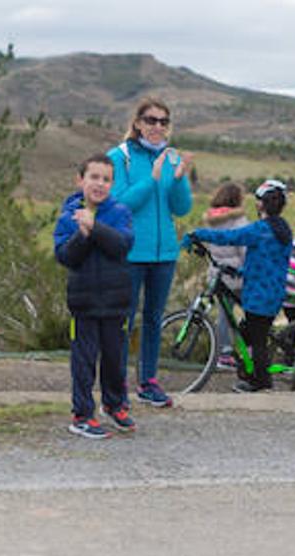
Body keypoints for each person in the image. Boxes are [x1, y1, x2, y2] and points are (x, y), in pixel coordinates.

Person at [107, 97, 193, 409]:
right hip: (130, 253)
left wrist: (179, 179)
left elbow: (181, 208)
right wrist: (152, 179)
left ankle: (149, 382)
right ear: (138, 123)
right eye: (151, 120)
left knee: (153, 320)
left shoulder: (171, 159)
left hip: (164, 254)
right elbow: (119, 205)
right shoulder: (120, 157)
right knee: (124, 321)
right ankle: (116, 387)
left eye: (163, 121)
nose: (157, 126)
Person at [53, 154, 136, 438]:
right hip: (84, 304)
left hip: (116, 303)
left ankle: (114, 404)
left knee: (114, 359)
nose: (100, 184)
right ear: (81, 180)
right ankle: (82, 415)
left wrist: (95, 227)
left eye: (106, 179)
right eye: (94, 177)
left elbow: (122, 245)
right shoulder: (68, 217)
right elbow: (65, 256)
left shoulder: (121, 212)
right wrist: (82, 234)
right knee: (84, 361)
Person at [187, 179, 293, 392]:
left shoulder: (260, 229)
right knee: (248, 334)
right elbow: (267, 261)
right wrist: (240, 271)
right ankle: (250, 372)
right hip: (271, 290)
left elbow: (230, 237)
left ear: (261, 204)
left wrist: (199, 234)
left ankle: (261, 382)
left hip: (257, 293)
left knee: (257, 338)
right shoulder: (283, 229)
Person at [200, 182, 248, 367]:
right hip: (236, 276)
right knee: (253, 311)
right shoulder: (238, 220)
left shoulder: (212, 220)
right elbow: (244, 249)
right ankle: (249, 348)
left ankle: (224, 353)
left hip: (217, 275)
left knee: (224, 315)